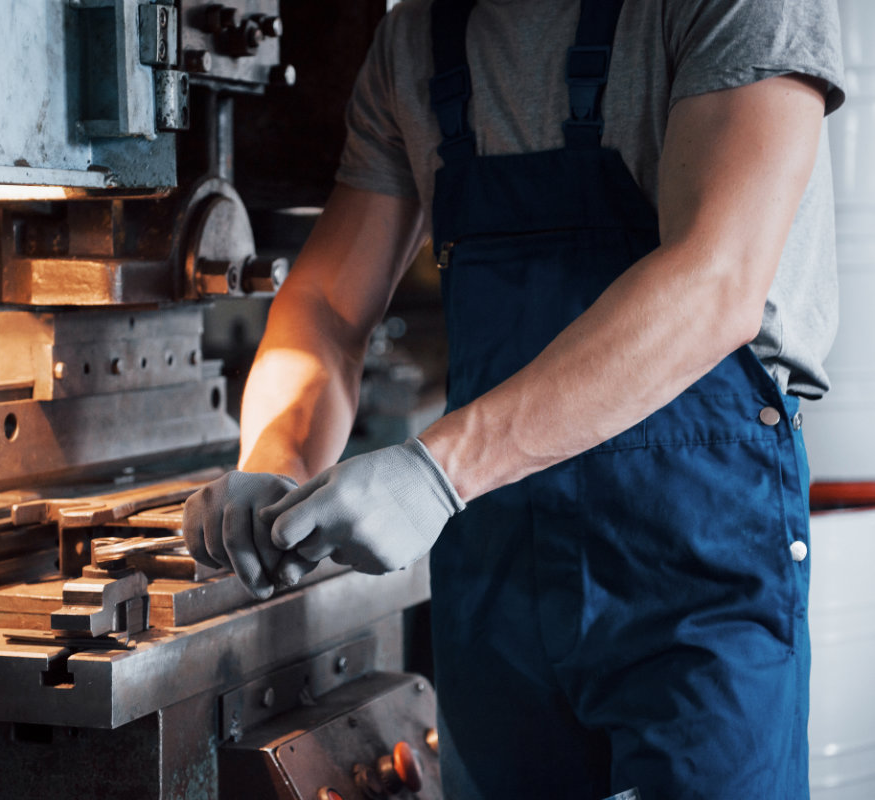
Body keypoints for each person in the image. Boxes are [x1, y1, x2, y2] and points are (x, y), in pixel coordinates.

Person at [183, 0, 845, 796]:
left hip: (693, 561)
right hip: (499, 570)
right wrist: (276, 464)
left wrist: (437, 472)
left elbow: (715, 282)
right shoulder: (414, 40)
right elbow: (328, 308)